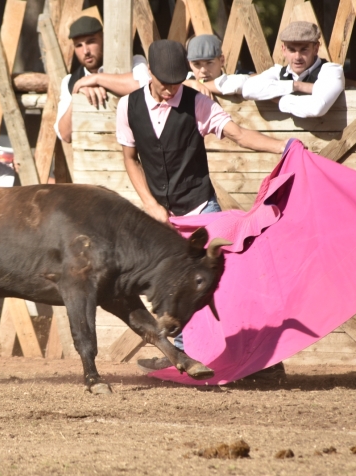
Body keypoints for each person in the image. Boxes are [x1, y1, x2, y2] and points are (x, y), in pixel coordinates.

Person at [117, 40, 288, 379]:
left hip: (200, 208)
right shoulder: (128, 106)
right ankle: (179, 353)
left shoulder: (197, 103)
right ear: (148, 72)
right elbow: (129, 159)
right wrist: (150, 205)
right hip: (162, 219)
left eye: (177, 82)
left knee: (223, 287)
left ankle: (263, 361)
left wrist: (282, 146)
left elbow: (238, 134)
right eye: (164, 82)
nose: (170, 90)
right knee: (173, 288)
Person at [54, 16, 151, 143]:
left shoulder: (135, 62)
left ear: (104, 39)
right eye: (79, 45)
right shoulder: (70, 82)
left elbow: (145, 86)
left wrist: (97, 79)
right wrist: (77, 96)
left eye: (90, 42)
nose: (85, 51)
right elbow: (65, 135)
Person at [241, 21, 344, 118]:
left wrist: (280, 99)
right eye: (292, 50)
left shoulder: (331, 70)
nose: (297, 57)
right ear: (284, 50)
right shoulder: (278, 72)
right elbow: (248, 90)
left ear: (315, 49)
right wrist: (295, 85)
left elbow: (317, 107)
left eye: (304, 50)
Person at [182, 34, 250, 98]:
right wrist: (190, 83)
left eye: (209, 63)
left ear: (221, 61)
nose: (203, 70)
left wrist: (195, 85)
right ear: (189, 64)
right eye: (196, 64)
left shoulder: (230, 81)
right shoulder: (186, 77)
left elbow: (240, 83)